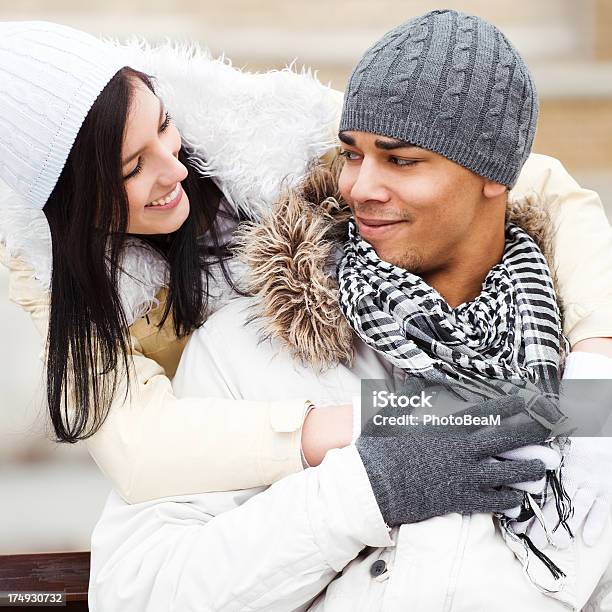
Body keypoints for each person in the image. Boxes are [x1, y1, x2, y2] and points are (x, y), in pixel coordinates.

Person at [89, 10, 612, 611]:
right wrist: (367, 490)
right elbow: (136, 594)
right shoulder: (251, 348)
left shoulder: (583, 376)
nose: (360, 188)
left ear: (496, 173)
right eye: (352, 155)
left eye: (400, 159)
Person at [0, 20, 352, 503]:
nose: (176, 169)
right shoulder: (51, 274)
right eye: (133, 168)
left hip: (403, 388)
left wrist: (407, 416)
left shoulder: (295, 139)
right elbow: (139, 447)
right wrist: (327, 428)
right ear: (72, 205)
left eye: (164, 125)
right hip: (286, 467)